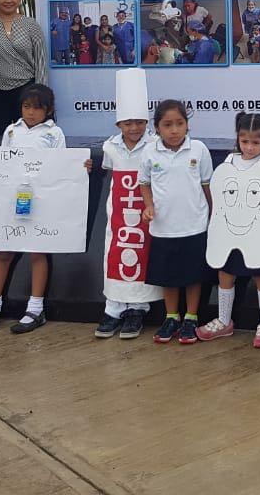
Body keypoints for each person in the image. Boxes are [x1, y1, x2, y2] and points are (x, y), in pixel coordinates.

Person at [197, 113, 260, 349]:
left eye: (255, 142)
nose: (249, 147)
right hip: (230, 230)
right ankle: (224, 320)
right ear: (238, 139)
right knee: (225, 273)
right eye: (245, 141)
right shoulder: (229, 161)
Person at [0, 84, 68, 334]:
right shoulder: (11, 130)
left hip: (40, 200)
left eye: (37, 108)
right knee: (4, 251)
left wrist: (80, 167)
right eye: (26, 107)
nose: (30, 113)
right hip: (12, 199)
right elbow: (1, 163)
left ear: (49, 110)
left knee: (37, 253)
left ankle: (35, 307)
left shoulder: (55, 134)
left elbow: (61, 166)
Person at [139, 99, 214, 345]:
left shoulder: (199, 149)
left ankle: (191, 317)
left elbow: (206, 186)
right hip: (163, 227)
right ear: (157, 127)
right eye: (167, 125)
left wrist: (213, 217)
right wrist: (148, 206)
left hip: (195, 224)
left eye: (179, 124)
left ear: (187, 125)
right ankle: (171, 317)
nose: (174, 130)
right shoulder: (149, 152)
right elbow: (145, 183)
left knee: (193, 276)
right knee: (168, 276)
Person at [97, 70, 160, 339]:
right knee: (116, 252)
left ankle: (137, 309)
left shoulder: (156, 145)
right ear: (118, 125)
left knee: (142, 252)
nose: (133, 128)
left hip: (144, 210)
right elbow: (105, 170)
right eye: (127, 123)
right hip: (120, 211)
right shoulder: (110, 148)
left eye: (138, 122)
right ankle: (113, 308)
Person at [0, 0, 49, 137]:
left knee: (29, 136)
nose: (8, 0)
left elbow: (41, 60)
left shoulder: (31, 25)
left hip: (26, 90)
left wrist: (40, 94)